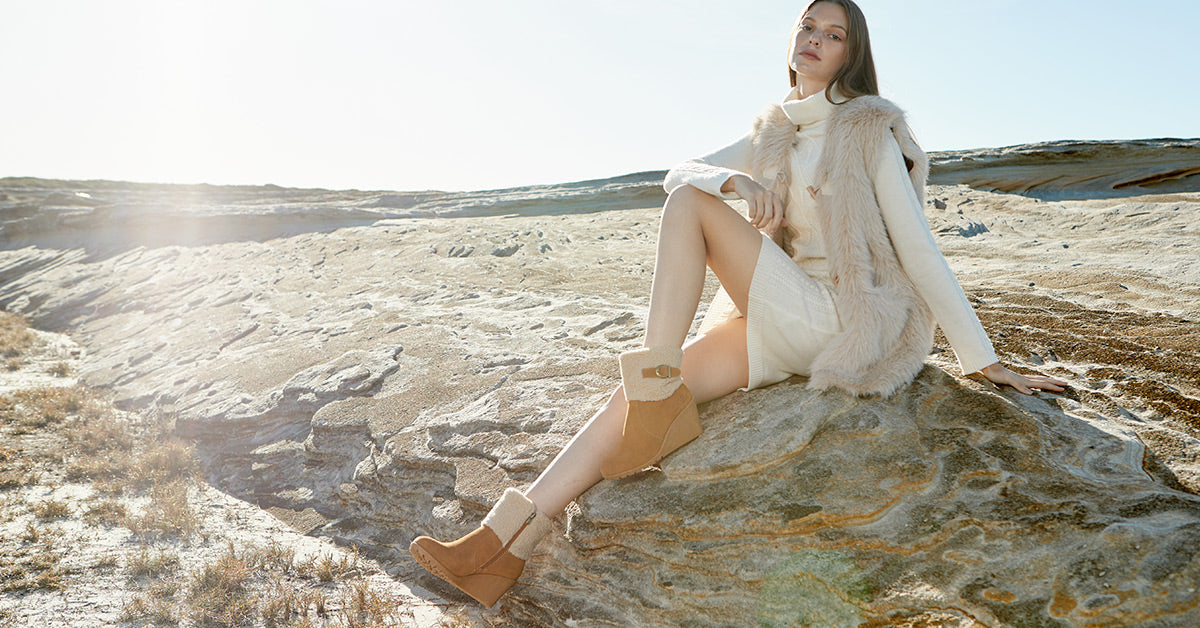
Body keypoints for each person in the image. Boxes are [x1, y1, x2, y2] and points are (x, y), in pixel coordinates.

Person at [409, 0, 1068, 608]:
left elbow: (919, 250)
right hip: (776, 319)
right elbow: (681, 169)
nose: (815, 39)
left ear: (852, 54)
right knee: (627, 400)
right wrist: (738, 180)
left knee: (688, 212)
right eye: (807, 26)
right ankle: (499, 547)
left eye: (833, 35)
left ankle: (657, 388)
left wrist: (983, 360)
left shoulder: (869, 129)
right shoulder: (774, 130)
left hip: (841, 318)